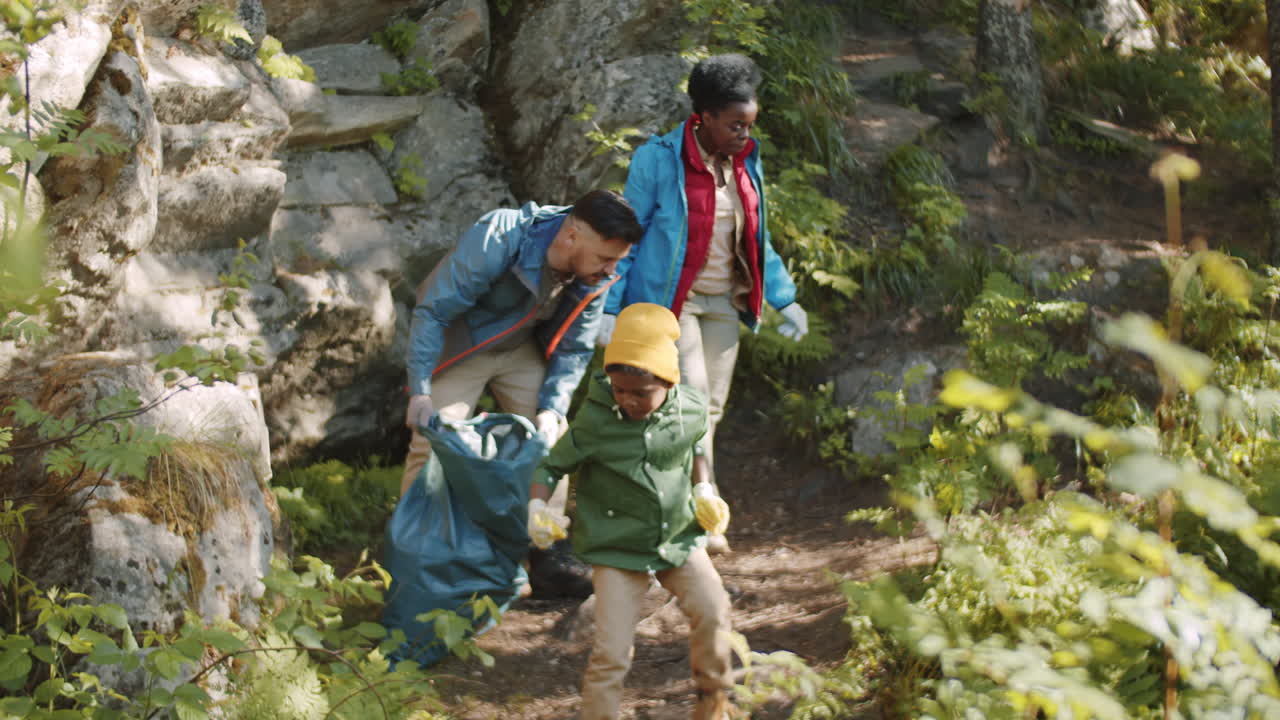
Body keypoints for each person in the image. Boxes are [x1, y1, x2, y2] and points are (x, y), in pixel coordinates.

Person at [600, 54, 808, 553]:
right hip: (674, 304)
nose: (744, 133)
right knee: (689, 399)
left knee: (709, 408)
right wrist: (610, 306)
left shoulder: (745, 161)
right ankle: (703, 505)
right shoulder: (657, 159)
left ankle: (682, 505)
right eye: (735, 124)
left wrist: (785, 298)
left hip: (724, 302)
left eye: (749, 124)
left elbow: (757, 238)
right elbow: (628, 236)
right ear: (705, 116)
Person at [402, 189, 642, 594]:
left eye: (616, 260)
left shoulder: (596, 273)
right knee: (433, 438)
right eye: (605, 258)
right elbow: (434, 309)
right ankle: (414, 561)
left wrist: (552, 408)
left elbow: (574, 348)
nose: (610, 270)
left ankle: (546, 553)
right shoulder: (500, 236)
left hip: (520, 349)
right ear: (571, 237)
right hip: (463, 346)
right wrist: (420, 390)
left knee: (553, 440)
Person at [527, 303, 735, 720]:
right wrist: (537, 506)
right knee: (611, 652)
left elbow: (696, 445)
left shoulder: (690, 408)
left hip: (676, 537)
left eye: (641, 393)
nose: (628, 400)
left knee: (714, 611)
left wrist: (704, 489)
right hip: (616, 546)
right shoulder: (596, 419)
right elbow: (551, 466)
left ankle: (713, 707)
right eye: (620, 389)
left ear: (669, 381)